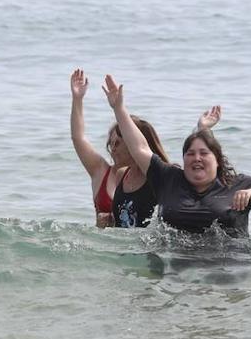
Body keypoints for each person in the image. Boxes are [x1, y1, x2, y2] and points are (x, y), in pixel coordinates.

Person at [102, 75, 251, 237]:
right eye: (190, 154)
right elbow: (140, 148)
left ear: (217, 161)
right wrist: (119, 108)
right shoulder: (169, 179)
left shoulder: (234, 185)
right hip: (178, 269)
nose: (196, 158)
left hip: (228, 267)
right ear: (183, 160)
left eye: (204, 153)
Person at [69, 68, 216, 228]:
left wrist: (202, 129)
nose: (113, 149)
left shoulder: (162, 177)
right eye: (110, 144)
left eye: (118, 143)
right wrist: (77, 98)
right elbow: (79, 138)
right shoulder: (114, 174)